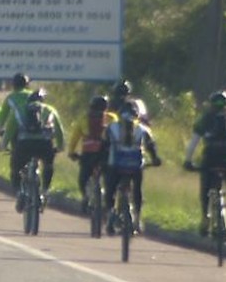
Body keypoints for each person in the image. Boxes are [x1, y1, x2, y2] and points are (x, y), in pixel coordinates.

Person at [184, 90, 226, 245]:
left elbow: (193, 142)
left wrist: (188, 161)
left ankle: (205, 218)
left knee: (205, 189)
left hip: (210, 160)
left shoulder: (204, 119)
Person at [0, 88, 65, 211]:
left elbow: (9, 131)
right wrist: (60, 147)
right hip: (45, 145)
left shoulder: (19, 110)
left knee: (15, 168)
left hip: (25, 145)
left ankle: (19, 192)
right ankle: (45, 191)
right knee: (48, 165)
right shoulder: (50, 110)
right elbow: (59, 131)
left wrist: (3, 145)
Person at [104, 101, 161, 235]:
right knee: (137, 191)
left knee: (110, 190)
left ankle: (110, 214)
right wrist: (155, 160)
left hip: (116, 165)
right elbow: (151, 147)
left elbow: (104, 145)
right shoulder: (142, 129)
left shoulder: (111, 128)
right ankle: (137, 218)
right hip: (135, 167)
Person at [67, 95, 117, 213]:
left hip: (88, 153)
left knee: (83, 178)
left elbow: (75, 137)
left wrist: (71, 152)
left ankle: (85, 196)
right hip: (106, 153)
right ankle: (109, 203)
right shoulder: (112, 118)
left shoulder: (84, 118)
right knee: (109, 178)